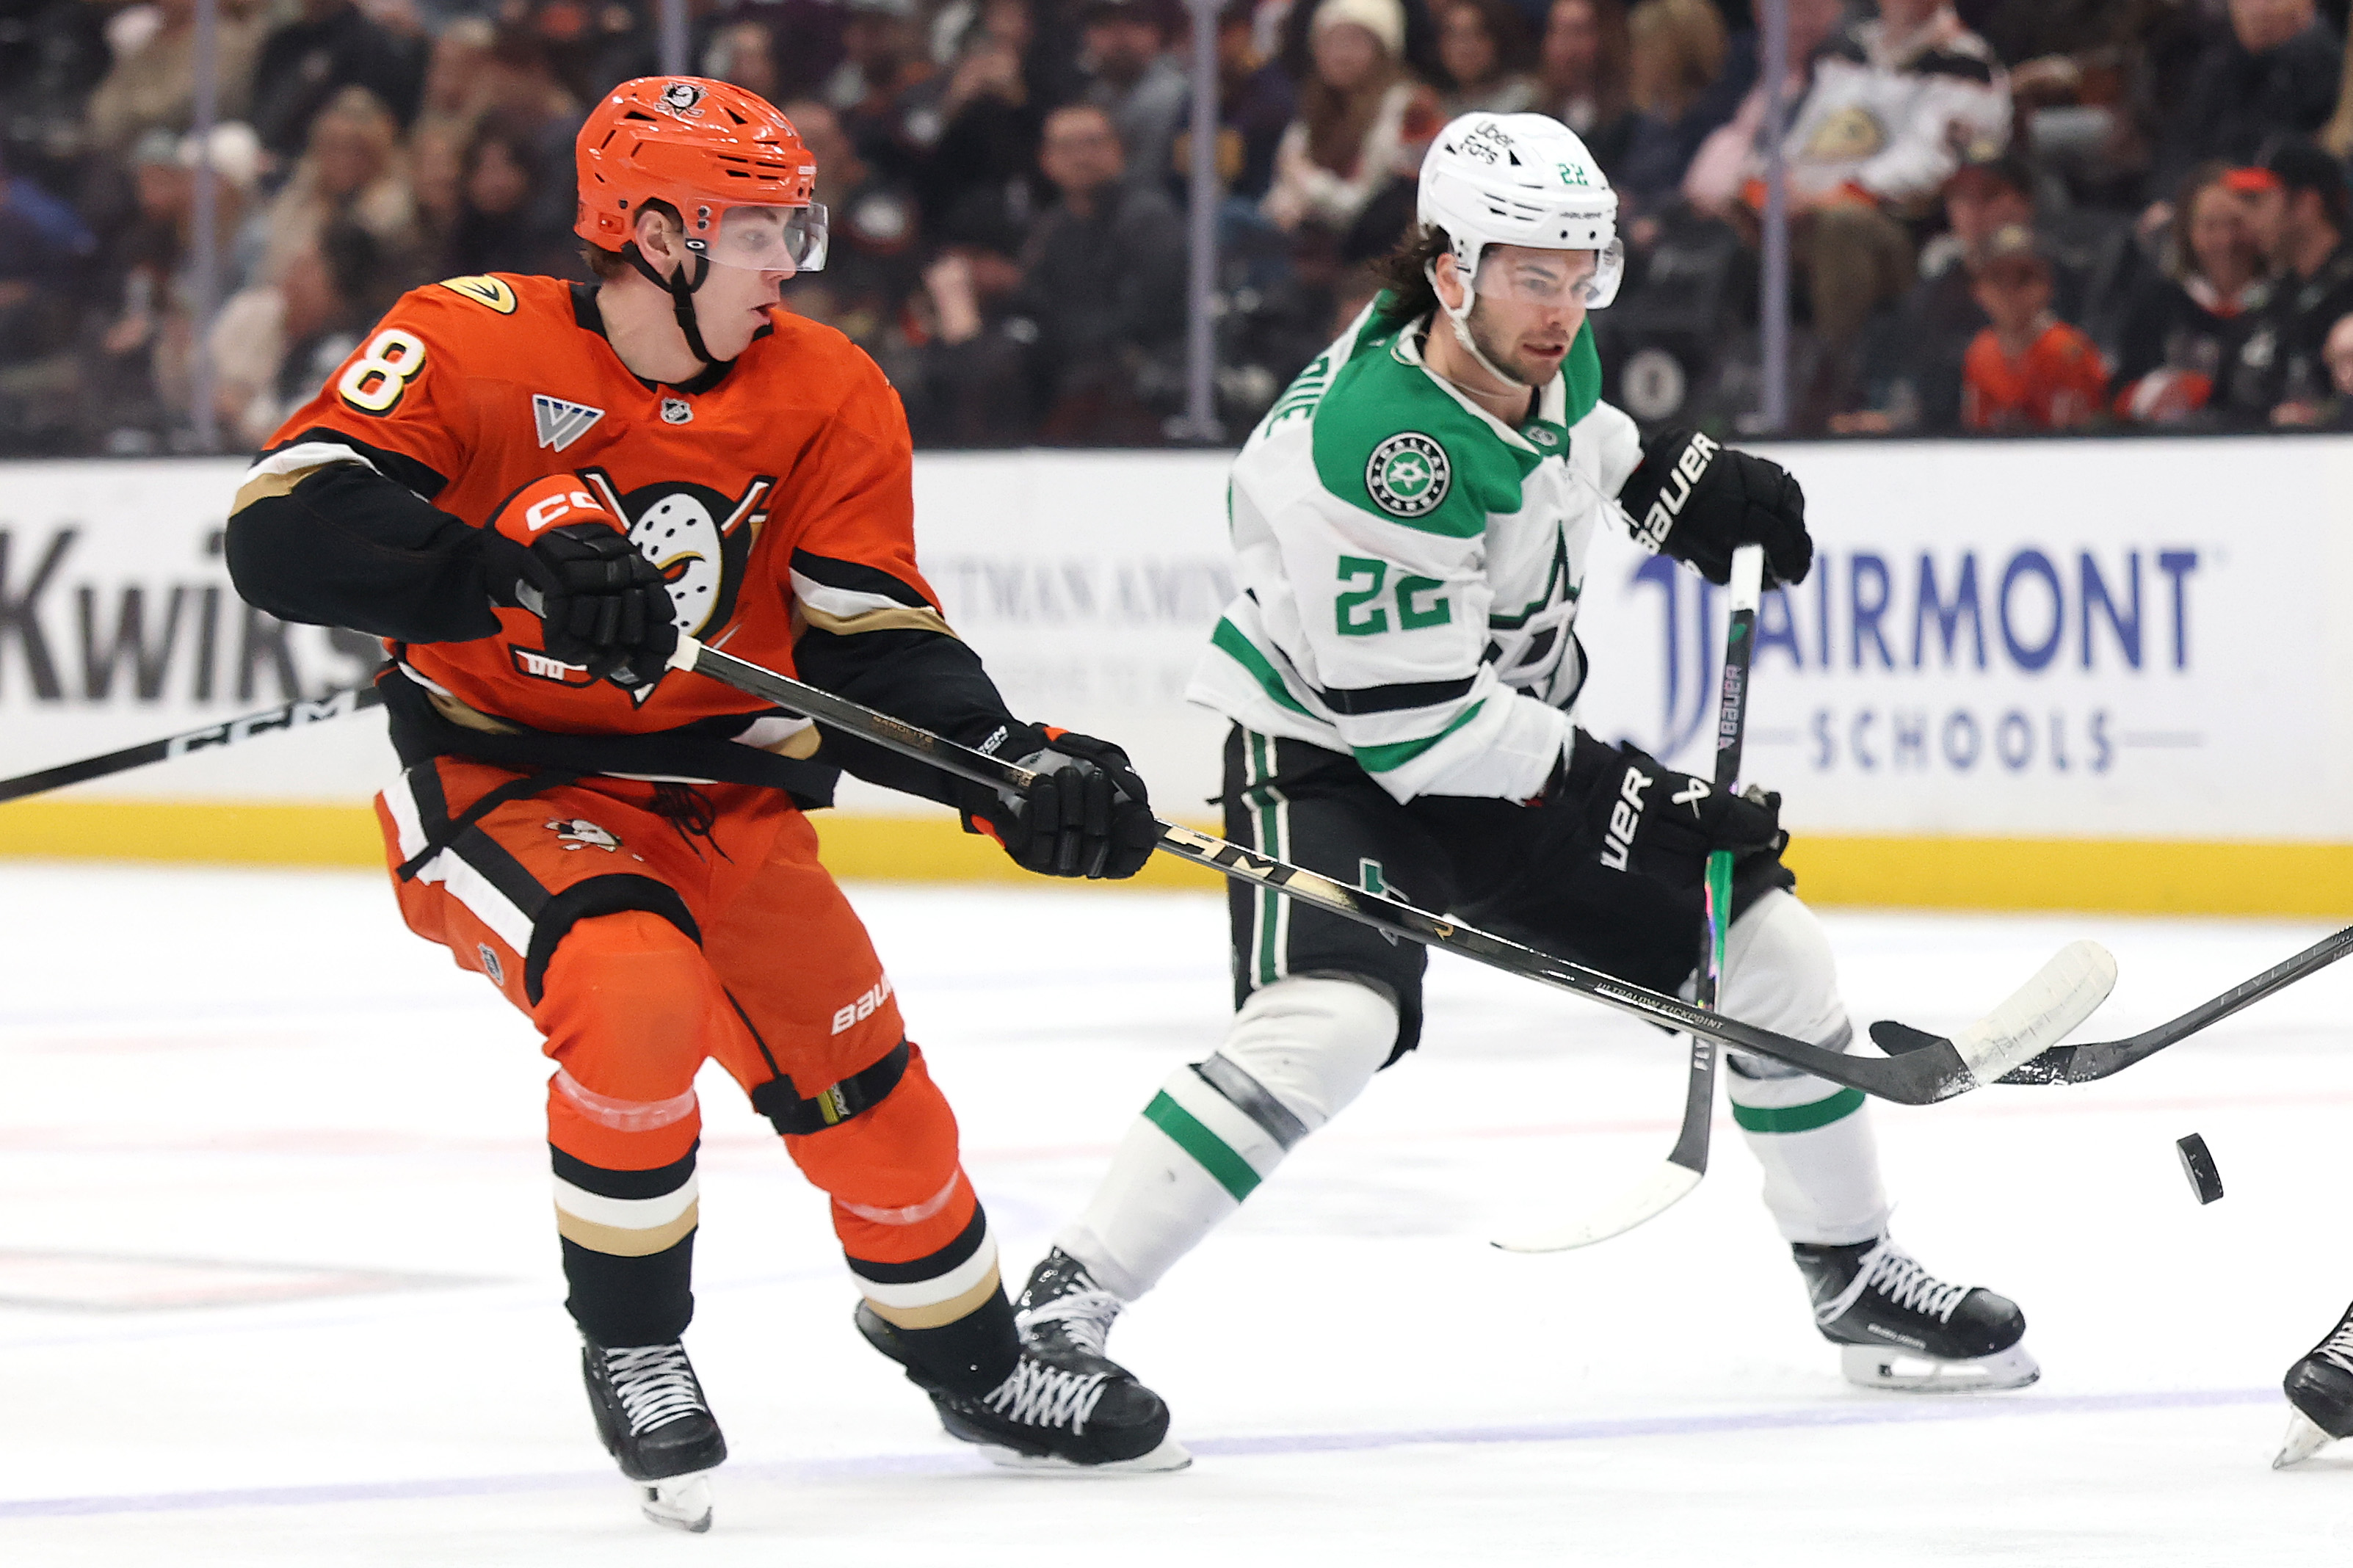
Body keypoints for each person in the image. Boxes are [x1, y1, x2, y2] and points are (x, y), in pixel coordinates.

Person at [220, 76, 1181, 1533]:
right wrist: (495, 569)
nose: (789, 260)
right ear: (656, 232)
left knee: (884, 1116)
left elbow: (872, 640)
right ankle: (636, 1337)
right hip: (504, 781)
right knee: (632, 985)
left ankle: (972, 1361)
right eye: (757, 232)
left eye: (794, 226)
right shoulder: (466, 338)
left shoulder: (829, 388)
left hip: (726, 804)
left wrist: (1009, 763)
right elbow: (283, 525)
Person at [1010, 112, 2042, 1426]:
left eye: (1583, 272)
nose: (1563, 308)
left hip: (1503, 746)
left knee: (1770, 956)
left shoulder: (1532, 339)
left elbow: (1570, 440)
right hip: (1335, 760)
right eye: (1532, 275)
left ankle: (1852, 1277)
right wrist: (1644, 794)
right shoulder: (1378, 451)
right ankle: (1060, 1306)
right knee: (1333, 1023)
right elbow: (1420, 732)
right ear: (1450, 269)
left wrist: (1664, 478)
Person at [1263, 0, 1443, 234]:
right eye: (1331, 42)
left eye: (1355, 41)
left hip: (1377, 246)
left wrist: (1305, 180)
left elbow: (1360, 209)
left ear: (1384, 50)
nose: (1342, 54)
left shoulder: (1406, 107)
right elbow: (1280, 191)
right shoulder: (1315, 103)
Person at [2109, 164, 2270, 426]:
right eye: (2210, 226)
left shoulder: (2282, 303)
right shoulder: (2156, 302)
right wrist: (2149, 394)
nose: (2225, 241)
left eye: (2236, 224)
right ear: (2188, 231)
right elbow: (2120, 390)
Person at [2217, 141, 2353, 426]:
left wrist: (2325, 417)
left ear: (2306, 203)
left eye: (2261, 201)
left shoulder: (2345, 293)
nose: (2250, 218)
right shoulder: (2267, 301)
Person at [1959, 225, 2109, 431]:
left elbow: (2082, 435)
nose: (2009, 292)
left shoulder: (2069, 351)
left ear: (2047, 286)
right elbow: (1975, 432)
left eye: (2023, 277)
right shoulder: (1980, 352)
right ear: (1978, 291)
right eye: (1996, 278)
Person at [1436, 0, 1540, 118]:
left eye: (1475, 35)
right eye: (1453, 36)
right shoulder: (1442, 108)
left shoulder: (1527, 100)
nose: (1463, 49)